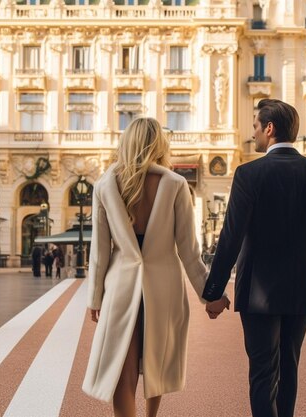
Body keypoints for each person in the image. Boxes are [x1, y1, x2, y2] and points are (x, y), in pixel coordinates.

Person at [202, 99, 306, 417]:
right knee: (289, 366)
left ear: (269, 129)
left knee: (262, 372)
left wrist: (213, 292)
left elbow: (230, 237)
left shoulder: (248, 174)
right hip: (303, 288)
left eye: (256, 126)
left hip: (257, 290)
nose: (253, 132)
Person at [82, 117, 229, 417]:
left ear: (126, 143)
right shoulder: (176, 184)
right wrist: (210, 295)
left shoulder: (105, 185)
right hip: (164, 286)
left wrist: (94, 298)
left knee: (122, 368)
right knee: (156, 360)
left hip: (120, 287)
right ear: (159, 144)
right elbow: (190, 252)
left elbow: (98, 252)